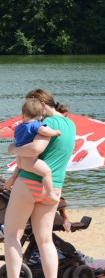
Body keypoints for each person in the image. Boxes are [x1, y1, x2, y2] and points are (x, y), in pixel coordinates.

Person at [2, 89, 76, 278]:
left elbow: (35, 148)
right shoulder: (71, 124)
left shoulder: (46, 123)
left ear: (41, 104)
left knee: (11, 236)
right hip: (54, 187)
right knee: (45, 240)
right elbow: (38, 156)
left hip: (29, 184)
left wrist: (12, 148)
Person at [5, 99, 62, 199]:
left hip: (19, 160)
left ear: (23, 113)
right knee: (47, 173)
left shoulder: (19, 127)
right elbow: (45, 131)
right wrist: (56, 132)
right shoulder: (36, 125)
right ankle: (50, 193)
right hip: (29, 160)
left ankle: (12, 180)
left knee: (19, 169)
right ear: (40, 116)